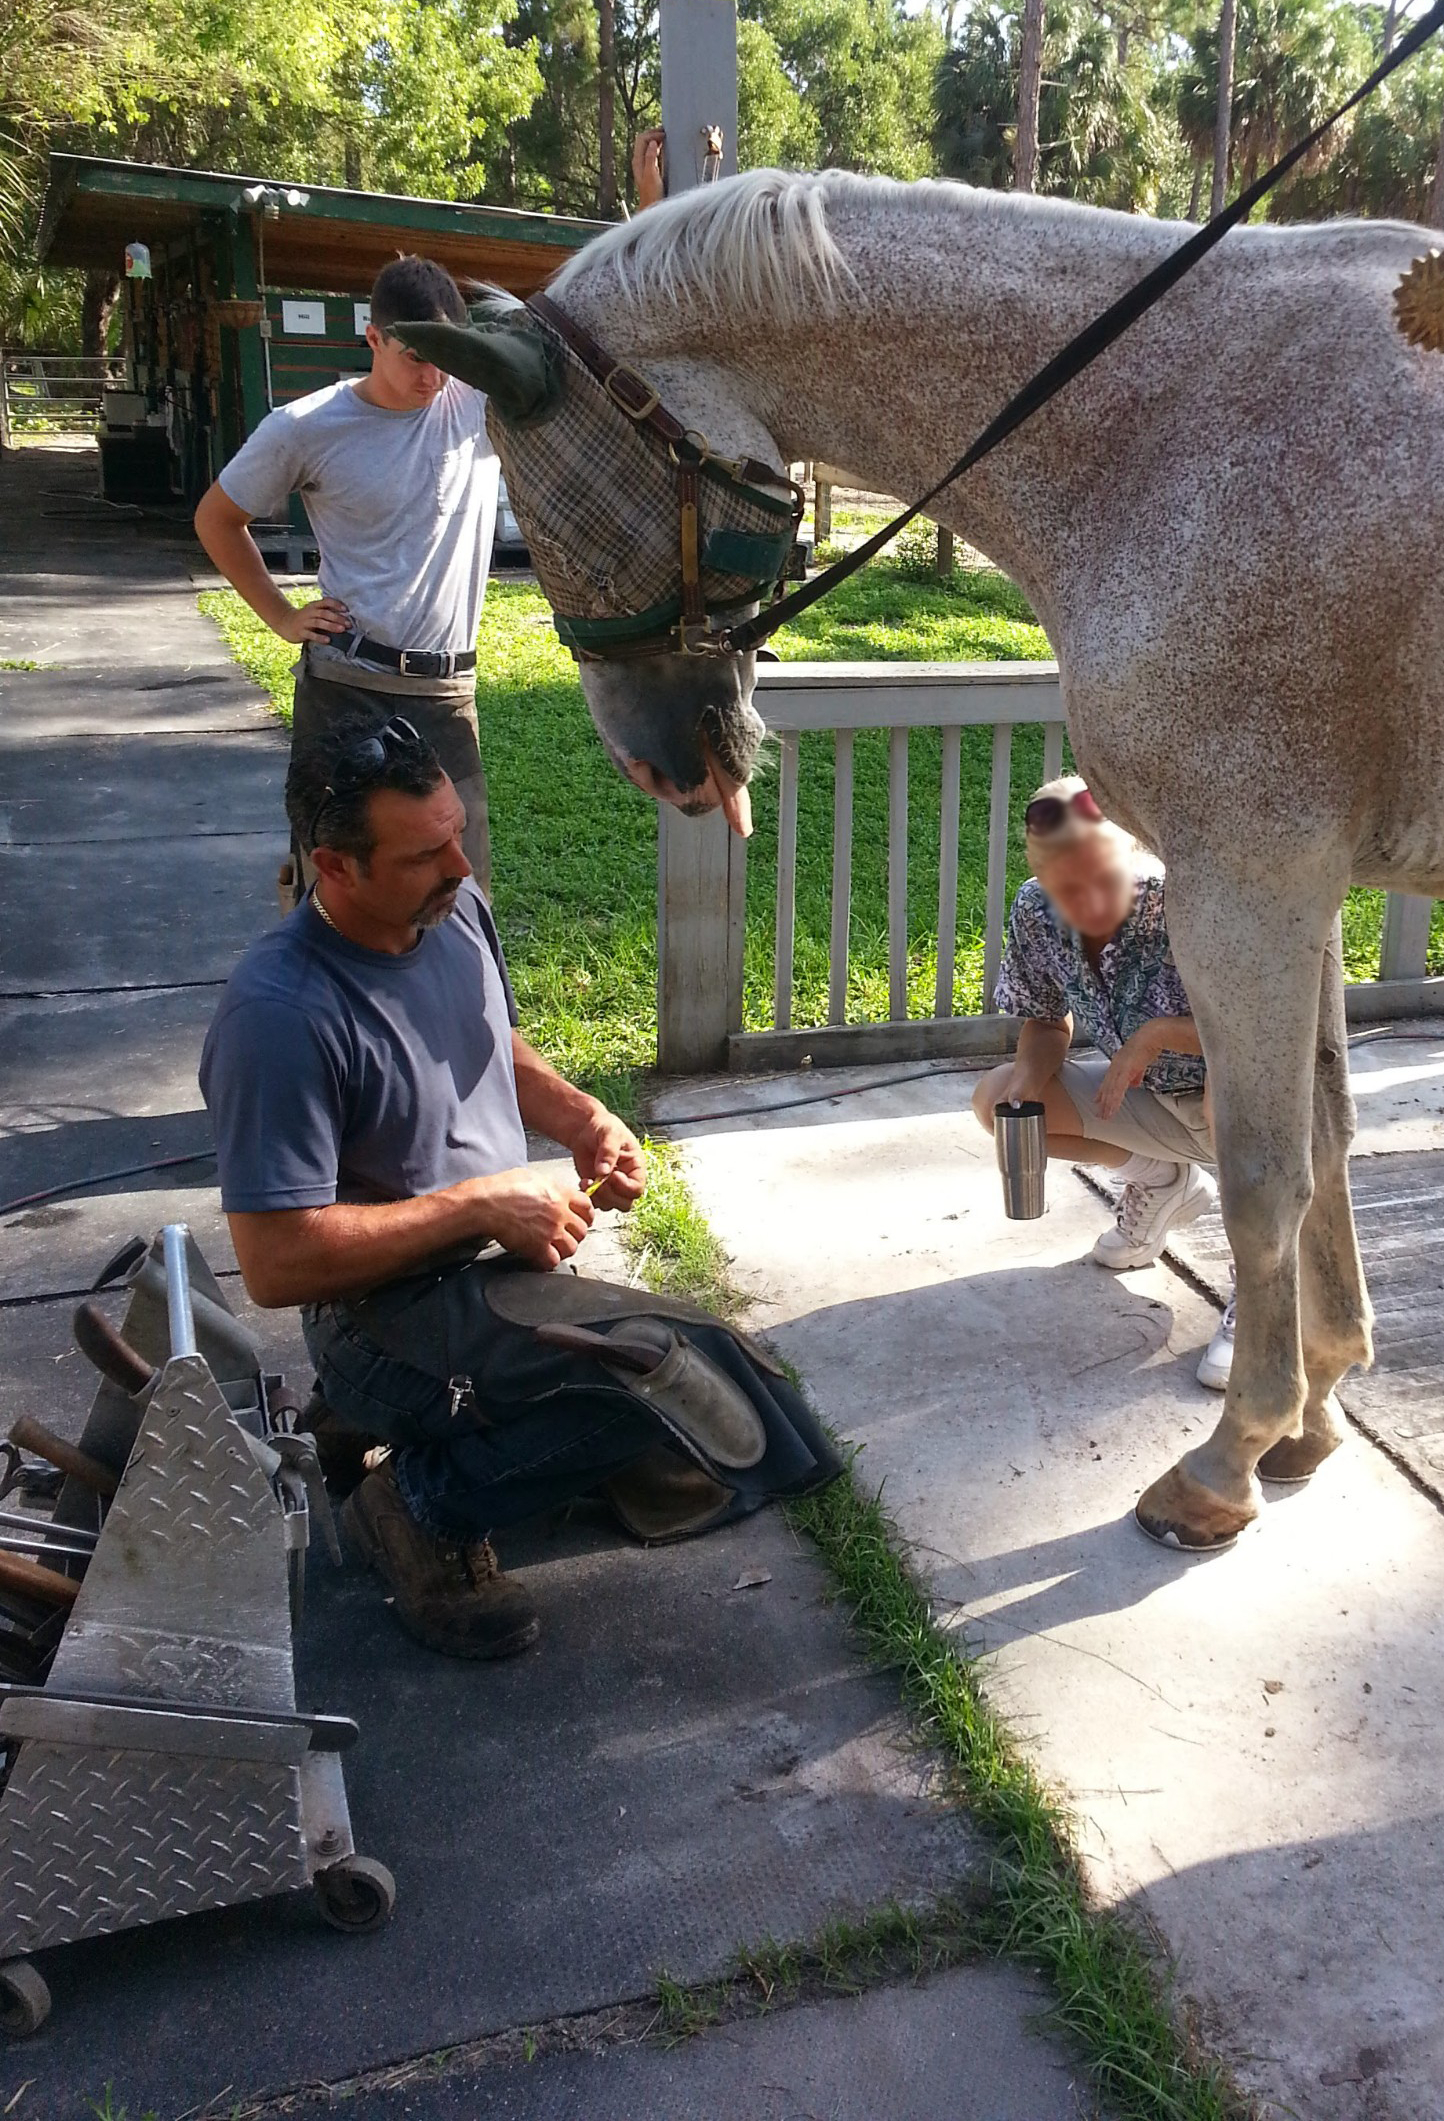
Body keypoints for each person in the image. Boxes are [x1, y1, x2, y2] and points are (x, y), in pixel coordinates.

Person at [198, 719, 837, 1660]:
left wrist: (581, 1119)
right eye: (426, 853)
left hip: (490, 1269)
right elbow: (275, 1262)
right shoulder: (279, 1015)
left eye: (456, 833)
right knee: (652, 1392)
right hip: (373, 1316)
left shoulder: (449, 907)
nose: (461, 864)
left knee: (711, 1375)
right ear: (334, 868)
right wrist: (485, 1204)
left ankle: (438, 1431)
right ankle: (414, 1507)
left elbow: (490, 1038)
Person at [194, 254, 500, 892]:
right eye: (416, 356)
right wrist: (281, 616)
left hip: (445, 696)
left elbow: (593, 349)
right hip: (343, 688)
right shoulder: (307, 427)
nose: (433, 376)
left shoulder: (477, 407)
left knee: (458, 892)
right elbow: (216, 519)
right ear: (374, 338)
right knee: (336, 887)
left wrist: (649, 202)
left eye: (447, 356)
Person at [973, 778, 1235, 1390]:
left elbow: (1253, 1026)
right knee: (997, 1098)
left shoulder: (1184, 899)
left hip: (1238, 1101)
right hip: (1149, 1103)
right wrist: (1030, 1084)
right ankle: (1164, 1181)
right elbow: (1043, 1019)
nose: (1088, 900)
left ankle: (1263, 1301)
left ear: (1131, 854)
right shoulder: (1034, 911)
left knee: (1227, 1098)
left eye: (1103, 878)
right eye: (1068, 888)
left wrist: (1151, 1039)